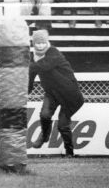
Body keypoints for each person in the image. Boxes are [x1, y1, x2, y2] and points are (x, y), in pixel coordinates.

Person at [29, 29, 84, 157]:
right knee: (44, 115)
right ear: (34, 43)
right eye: (38, 43)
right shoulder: (35, 58)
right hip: (52, 93)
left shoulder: (54, 53)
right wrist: (26, 90)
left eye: (43, 42)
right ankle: (45, 135)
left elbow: (44, 66)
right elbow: (31, 74)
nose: (41, 45)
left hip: (70, 96)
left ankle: (70, 153)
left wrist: (25, 66)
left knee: (62, 125)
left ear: (47, 41)